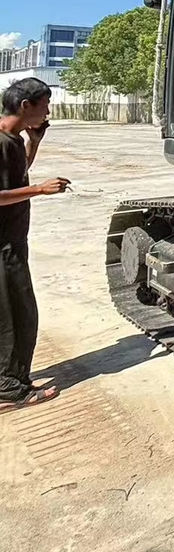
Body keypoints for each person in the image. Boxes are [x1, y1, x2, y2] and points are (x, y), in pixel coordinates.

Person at [0, 78, 70, 410]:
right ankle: (8, 389)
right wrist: (39, 190)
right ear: (25, 106)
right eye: (45, 105)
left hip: (13, 242)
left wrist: (34, 142)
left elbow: (15, 174)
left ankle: (14, 379)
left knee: (21, 314)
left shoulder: (14, 138)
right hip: (2, 246)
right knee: (12, 318)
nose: (48, 112)